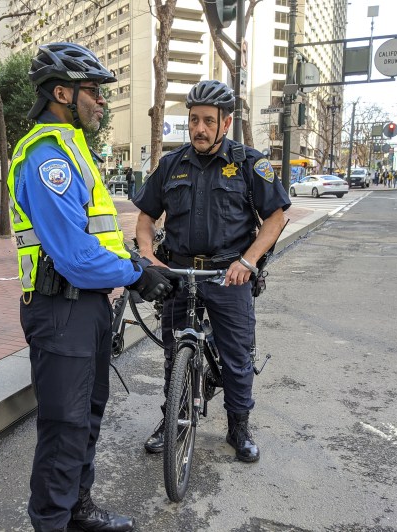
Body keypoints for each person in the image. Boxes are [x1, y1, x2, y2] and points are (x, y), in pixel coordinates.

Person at [7, 42, 180, 532]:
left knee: (87, 416)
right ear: (62, 93)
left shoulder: (74, 148)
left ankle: (77, 509)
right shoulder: (48, 158)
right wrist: (136, 275)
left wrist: (136, 260)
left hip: (87, 309)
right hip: (60, 310)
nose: (102, 102)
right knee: (64, 427)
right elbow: (73, 255)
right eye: (93, 92)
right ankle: (53, 521)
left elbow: (94, 235)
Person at [133, 79, 291, 463]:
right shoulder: (171, 165)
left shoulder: (250, 163)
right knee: (174, 354)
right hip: (178, 274)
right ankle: (174, 418)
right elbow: (144, 218)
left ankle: (239, 427)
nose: (199, 128)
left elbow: (275, 218)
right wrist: (148, 256)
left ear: (225, 122)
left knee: (236, 357)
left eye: (207, 120)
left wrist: (248, 261)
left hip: (228, 275)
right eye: (193, 120)